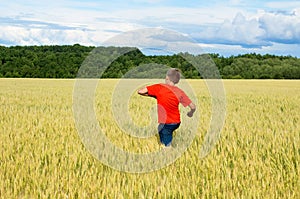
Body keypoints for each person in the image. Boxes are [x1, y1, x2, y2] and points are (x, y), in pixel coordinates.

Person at [137, 68, 196, 148]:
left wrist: (154, 95)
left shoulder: (160, 87)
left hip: (167, 123)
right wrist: (190, 113)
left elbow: (140, 91)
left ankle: (168, 152)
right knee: (162, 129)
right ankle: (165, 146)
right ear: (177, 81)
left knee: (166, 145)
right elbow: (193, 106)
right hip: (176, 122)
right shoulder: (179, 92)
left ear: (167, 77)